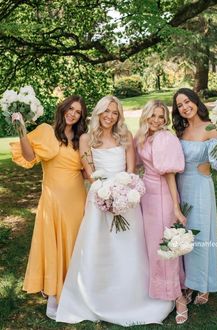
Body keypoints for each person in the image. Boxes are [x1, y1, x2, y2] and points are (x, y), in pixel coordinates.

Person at [55, 95, 174, 326]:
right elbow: (89, 172)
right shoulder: (86, 138)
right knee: (99, 250)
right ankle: (95, 297)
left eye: (115, 112)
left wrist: (123, 194)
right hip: (99, 198)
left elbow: (130, 170)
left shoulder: (125, 136)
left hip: (126, 197)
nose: (110, 116)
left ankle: (132, 298)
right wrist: (105, 193)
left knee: (129, 249)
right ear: (98, 112)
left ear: (119, 115)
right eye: (106, 111)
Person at [10, 95, 88, 314]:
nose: (73, 114)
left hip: (76, 198)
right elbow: (29, 156)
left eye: (78, 111)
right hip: (53, 199)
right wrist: (22, 130)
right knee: (54, 244)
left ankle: (76, 290)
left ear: (82, 116)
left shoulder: (80, 138)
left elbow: (86, 169)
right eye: (70, 109)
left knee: (75, 242)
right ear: (63, 109)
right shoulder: (46, 131)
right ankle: (54, 294)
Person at [172, 88, 217, 306]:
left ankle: (204, 283)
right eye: (180, 105)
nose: (185, 107)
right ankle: (189, 281)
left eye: (187, 101)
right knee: (184, 237)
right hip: (180, 188)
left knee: (201, 237)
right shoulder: (179, 131)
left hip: (200, 188)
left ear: (196, 102)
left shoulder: (211, 127)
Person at [135, 100, 188, 324]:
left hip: (163, 196)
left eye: (161, 116)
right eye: (153, 116)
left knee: (167, 246)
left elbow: (169, 175)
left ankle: (179, 298)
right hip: (147, 197)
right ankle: (160, 292)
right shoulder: (142, 136)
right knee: (152, 246)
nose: (157, 120)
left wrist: (176, 206)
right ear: (146, 116)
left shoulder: (165, 138)